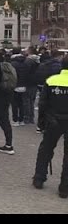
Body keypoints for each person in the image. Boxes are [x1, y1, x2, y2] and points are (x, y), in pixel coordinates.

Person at [32, 56, 68, 197]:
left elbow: (43, 103)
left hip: (53, 120)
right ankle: (64, 188)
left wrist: (41, 122)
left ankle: (39, 178)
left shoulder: (52, 80)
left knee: (45, 149)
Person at [9, 48, 33, 126]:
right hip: (24, 86)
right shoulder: (26, 63)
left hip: (15, 86)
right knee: (21, 103)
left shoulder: (12, 64)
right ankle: (21, 120)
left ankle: (15, 120)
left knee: (14, 104)